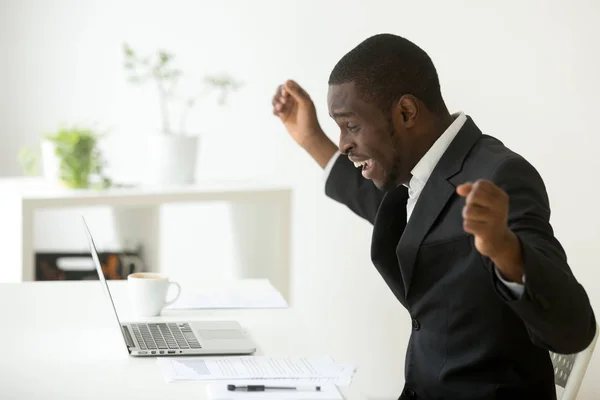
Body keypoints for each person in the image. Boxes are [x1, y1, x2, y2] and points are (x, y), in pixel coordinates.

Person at [271, 33, 596, 400]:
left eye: (351, 125)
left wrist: (506, 249)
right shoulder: (418, 176)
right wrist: (312, 138)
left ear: (406, 112)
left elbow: (573, 330)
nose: (344, 142)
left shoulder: (500, 176)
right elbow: (386, 208)